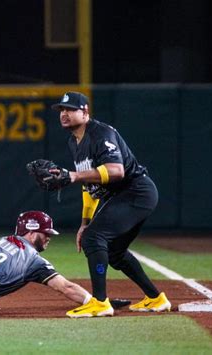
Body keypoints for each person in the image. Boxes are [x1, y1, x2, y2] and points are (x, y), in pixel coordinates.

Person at [51, 92, 171, 318]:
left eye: (70, 109)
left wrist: (74, 175)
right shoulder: (73, 141)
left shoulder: (100, 133)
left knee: (94, 239)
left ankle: (100, 302)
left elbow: (116, 171)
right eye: (61, 110)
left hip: (136, 191)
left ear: (85, 112)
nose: (64, 114)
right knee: (115, 252)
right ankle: (156, 298)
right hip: (120, 196)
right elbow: (89, 185)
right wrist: (84, 222)